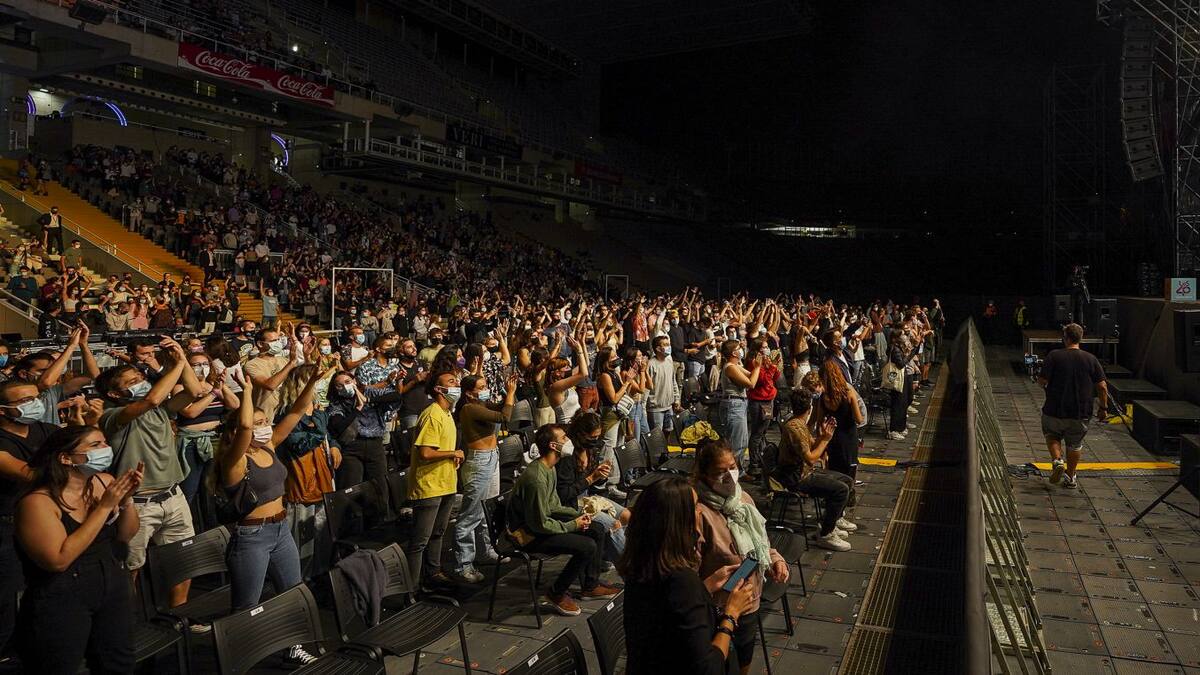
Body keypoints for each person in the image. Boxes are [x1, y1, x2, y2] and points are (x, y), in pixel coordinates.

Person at [214, 368, 326, 665]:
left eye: (266, 422)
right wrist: (248, 392)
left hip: (281, 530)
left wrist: (312, 382)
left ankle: (292, 647)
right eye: (258, 423)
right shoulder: (235, 461)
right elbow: (245, 427)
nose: (264, 427)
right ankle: (238, 661)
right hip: (252, 537)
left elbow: (298, 410)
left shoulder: (270, 446)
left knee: (292, 592)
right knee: (246, 605)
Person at [15, 425, 142, 675]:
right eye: (95, 445)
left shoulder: (104, 482)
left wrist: (127, 499)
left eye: (104, 442)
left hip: (110, 582)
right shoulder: (37, 502)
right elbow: (58, 560)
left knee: (119, 663)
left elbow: (126, 534)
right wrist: (104, 508)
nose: (106, 449)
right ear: (65, 458)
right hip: (61, 595)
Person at [96, 337, 206, 616]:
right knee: (130, 568)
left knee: (183, 559)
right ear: (114, 394)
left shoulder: (160, 410)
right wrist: (177, 365)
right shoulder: (113, 416)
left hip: (172, 495)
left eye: (140, 378)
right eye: (131, 382)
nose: (140, 382)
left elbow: (193, 391)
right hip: (137, 505)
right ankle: (127, 624)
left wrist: (181, 358)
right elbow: (152, 398)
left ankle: (180, 617)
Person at [620, 476, 756, 675]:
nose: (700, 511)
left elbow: (668, 615)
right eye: (694, 506)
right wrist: (731, 614)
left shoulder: (644, 566)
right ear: (678, 521)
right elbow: (709, 668)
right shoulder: (682, 581)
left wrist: (705, 587)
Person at [692, 438, 788, 675]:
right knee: (716, 665)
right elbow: (689, 577)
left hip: (749, 600)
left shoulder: (743, 499)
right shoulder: (699, 514)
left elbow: (761, 542)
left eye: (732, 468)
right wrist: (709, 588)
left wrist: (775, 560)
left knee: (744, 659)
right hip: (717, 609)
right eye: (720, 472)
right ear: (704, 475)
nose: (729, 476)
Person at [507, 423, 619, 616]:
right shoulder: (536, 478)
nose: (568, 441)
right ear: (553, 445)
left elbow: (554, 506)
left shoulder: (549, 468)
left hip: (540, 524)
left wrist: (578, 515)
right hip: (528, 535)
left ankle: (590, 586)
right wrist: (572, 525)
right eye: (564, 438)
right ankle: (556, 593)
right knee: (587, 546)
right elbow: (540, 524)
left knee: (597, 528)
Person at [0, 379, 64, 657]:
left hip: (47, 519)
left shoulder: (45, 430)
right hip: (8, 526)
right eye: (24, 401)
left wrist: (84, 426)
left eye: (36, 397)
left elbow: (79, 450)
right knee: (9, 593)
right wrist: (68, 462)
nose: (35, 404)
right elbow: (29, 474)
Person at [450, 373, 517, 583]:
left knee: (487, 508)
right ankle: (464, 565)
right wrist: (511, 394)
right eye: (481, 387)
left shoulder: (483, 405)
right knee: (470, 515)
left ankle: (486, 550)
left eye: (485, 385)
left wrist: (508, 391)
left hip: (492, 457)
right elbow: (504, 417)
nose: (485, 389)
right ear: (469, 394)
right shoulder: (469, 408)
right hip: (479, 461)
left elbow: (503, 408)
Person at [774, 389, 856, 551]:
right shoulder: (795, 428)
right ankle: (825, 534)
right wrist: (826, 440)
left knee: (846, 480)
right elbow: (811, 458)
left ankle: (831, 521)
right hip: (797, 477)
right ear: (810, 408)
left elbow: (811, 445)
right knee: (840, 490)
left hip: (803, 472)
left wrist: (823, 436)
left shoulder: (799, 424)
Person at [405, 370, 464, 588]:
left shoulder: (447, 413)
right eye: (451, 381)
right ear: (439, 389)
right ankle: (411, 588)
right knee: (420, 541)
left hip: (446, 482)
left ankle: (433, 573)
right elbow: (426, 452)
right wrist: (452, 453)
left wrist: (452, 455)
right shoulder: (432, 414)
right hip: (429, 486)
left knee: (438, 532)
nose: (457, 384)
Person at [1038, 323, 1108, 489]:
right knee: (1075, 444)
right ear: (1080, 338)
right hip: (1080, 413)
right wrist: (1103, 408)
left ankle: (1057, 460)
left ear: (1066, 338)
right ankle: (1070, 477)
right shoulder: (1091, 359)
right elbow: (1102, 387)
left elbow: (1042, 381)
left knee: (1052, 435)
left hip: (1054, 409)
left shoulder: (1054, 356)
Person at [558, 412, 629, 564]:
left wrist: (601, 476)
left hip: (587, 498)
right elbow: (564, 494)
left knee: (627, 515)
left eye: (598, 436)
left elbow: (594, 486)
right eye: (592, 437)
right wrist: (591, 478)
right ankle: (628, 567)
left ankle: (606, 556)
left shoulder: (591, 450)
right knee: (614, 525)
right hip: (571, 505)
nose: (595, 440)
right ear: (580, 434)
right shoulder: (568, 457)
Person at [813, 360, 864, 479]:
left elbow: (819, 422)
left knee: (834, 474)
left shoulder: (824, 398)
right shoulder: (848, 393)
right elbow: (859, 419)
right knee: (848, 475)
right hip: (849, 438)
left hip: (832, 438)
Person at [717, 339, 761, 471]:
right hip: (733, 406)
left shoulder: (735, 366)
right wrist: (757, 367)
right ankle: (732, 474)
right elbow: (751, 384)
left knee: (742, 442)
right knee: (736, 444)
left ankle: (739, 472)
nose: (741, 350)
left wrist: (759, 366)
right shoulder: (730, 367)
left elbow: (752, 375)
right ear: (733, 353)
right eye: (738, 348)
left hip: (739, 405)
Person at [744, 337, 778, 480]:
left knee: (762, 432)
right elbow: (762, 380)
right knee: (757, 433)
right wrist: (771, 367)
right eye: (764, 347)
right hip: (759, 401)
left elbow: (774, 378)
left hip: (768, 399)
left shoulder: (765, 361)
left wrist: (773, 366)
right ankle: (754, 464)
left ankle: (760, 460)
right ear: (757, 350)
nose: (767, 349)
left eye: (767, 347)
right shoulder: (754, 363)